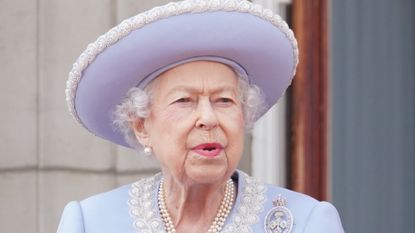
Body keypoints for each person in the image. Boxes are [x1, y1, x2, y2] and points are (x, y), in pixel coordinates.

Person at [58, 0, 344, 232]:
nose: (208, 118)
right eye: (185, 100)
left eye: (224, 100)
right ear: (142, 126)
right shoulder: (91, 222)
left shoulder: (306, 222)